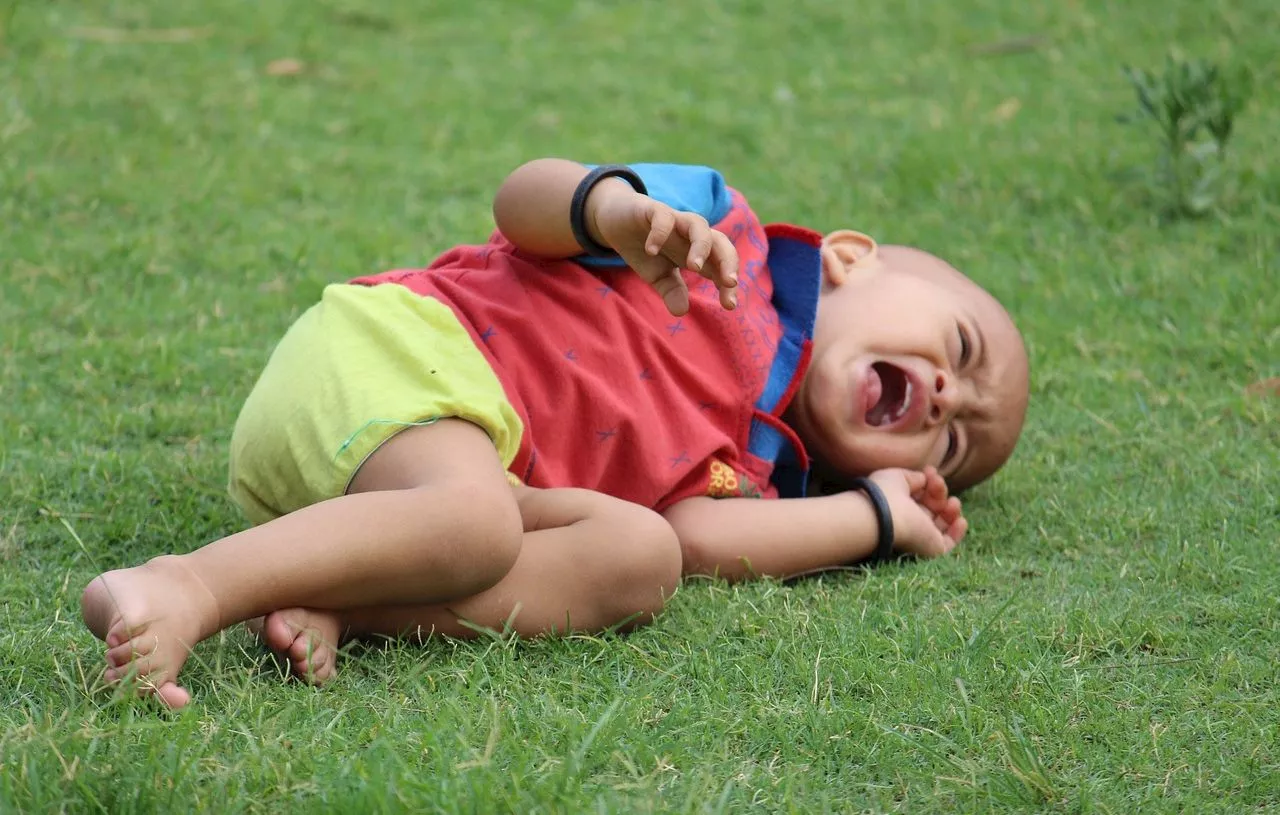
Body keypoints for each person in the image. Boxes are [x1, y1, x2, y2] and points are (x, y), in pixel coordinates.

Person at [81, 158, 1029, 709]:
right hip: (404, 358)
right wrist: (610, 209)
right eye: (961, 348)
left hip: (451, 477)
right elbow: (519, 200)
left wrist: (874, 517)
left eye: (952, 447)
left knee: (638, 555)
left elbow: (699, 541)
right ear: (852, 259)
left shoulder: (761, 467)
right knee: (480, 524)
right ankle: (188, 583)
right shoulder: (713, 228)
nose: (950, 401)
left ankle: (341, 595)